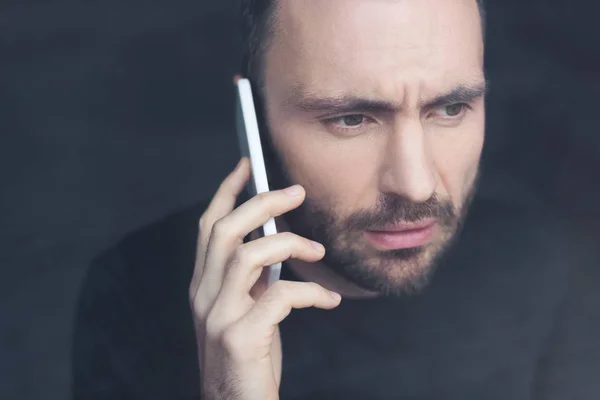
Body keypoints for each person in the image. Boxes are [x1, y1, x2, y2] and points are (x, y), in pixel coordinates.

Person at [72, 0, 600, 399]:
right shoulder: (133, 291)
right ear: (251, 119)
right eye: (351, 118)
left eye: (451, 108)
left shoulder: (561, 273)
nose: (415, 185)